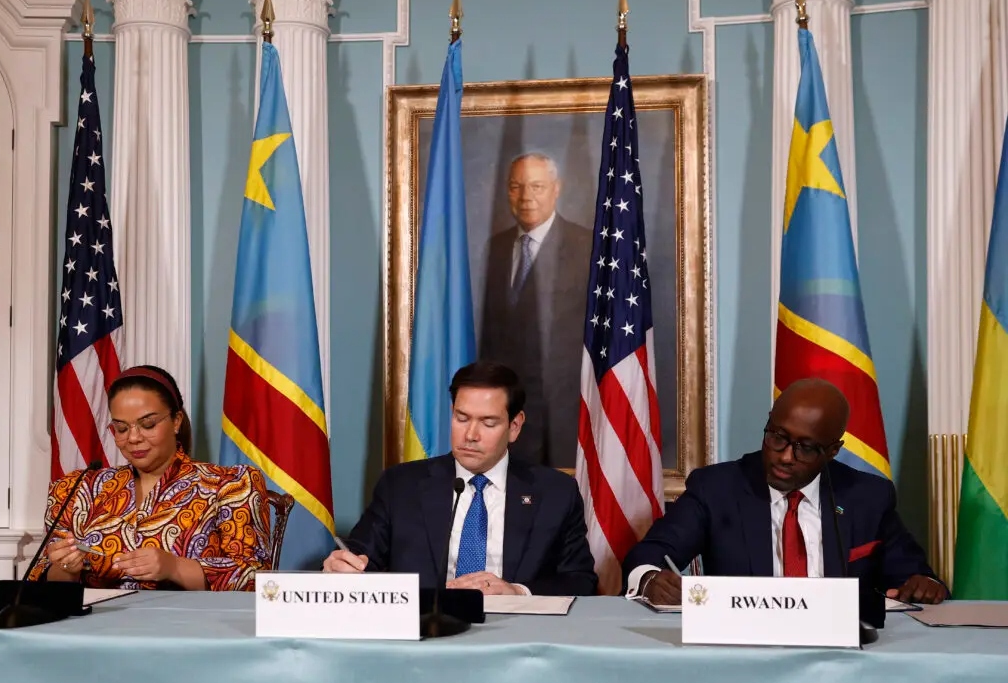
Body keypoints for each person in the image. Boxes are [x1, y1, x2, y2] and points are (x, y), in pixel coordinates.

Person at [624, 377, 947, 609]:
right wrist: (652, 578)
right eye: (778, 437)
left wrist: (924, 585)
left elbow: (914, 575)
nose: (785, 456)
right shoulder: (717, 487)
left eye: (806, 448)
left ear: (833, 450)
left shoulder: (867, 496)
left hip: (844, 653)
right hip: (744, 648)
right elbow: (648, 555)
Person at [324, 360, 596, 596]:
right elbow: (360, 558)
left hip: (517, 636)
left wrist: (517, 591)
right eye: (461, 418)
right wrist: (342, 566)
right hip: (426, 636)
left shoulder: (556, 492)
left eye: (488, 423)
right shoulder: (402, 486)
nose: (471, 435)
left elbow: (580, 580)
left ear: (514, 426)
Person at [29, 365, 272, 591]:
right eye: (121, 429)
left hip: (187, 628)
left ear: (176, 421)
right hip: (95, 627)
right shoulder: (77, 489)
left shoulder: (230, 485)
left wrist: (174, 567)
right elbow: (39, 576)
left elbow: (254, 578)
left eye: (148, 424)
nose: (133, 438)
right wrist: (66, 571)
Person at [479, 152, 593, 469]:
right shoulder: (497, 248)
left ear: (557, 188)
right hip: (508, 410)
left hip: (567, 414)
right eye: (517, 187)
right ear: (507, 191)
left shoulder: (586, 246)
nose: (526, 197)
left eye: (537, 186)